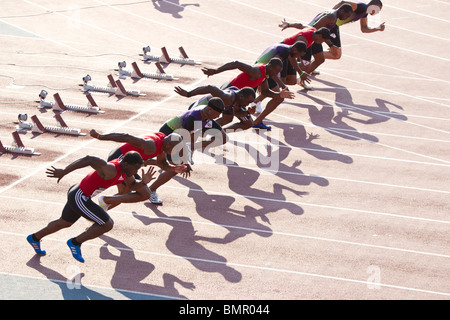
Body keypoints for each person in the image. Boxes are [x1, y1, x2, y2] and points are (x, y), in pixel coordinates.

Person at [26, 151, 154, 263]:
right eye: (135, 169)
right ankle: (75, 242)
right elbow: (89, 159)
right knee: (107, 224)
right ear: (126, 164)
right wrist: (64, 171)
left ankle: (34, 238)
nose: (136, 172)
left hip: (78, 194)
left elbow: (132, 186)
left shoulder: (127, 172)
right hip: (80, 196)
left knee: (64, 222)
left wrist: (143, 182)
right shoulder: (111, 169)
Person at [149, 97, 225, 204]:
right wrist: (186, 160)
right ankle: (151, 190)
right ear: (209, 110)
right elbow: (183, 140)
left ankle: (149, 161)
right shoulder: (193, 118)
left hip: (181, 135)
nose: (219, 117)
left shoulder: (207, 114)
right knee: (177, 168)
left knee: (223, 137)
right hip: (170, 135)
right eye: (218, 114)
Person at [89, 130, 192, 208]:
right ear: (169, 144)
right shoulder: (151, 146)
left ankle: (99, 212)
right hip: (120, 160)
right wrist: (100, 137)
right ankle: (102, 205)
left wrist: (174, 169)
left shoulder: (163, 142)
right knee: (142, 193)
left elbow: (162, 163)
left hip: (129, 163)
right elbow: (126, 137)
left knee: (127, 192)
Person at [201, 57, 295, 130]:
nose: (277, 74)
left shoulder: (265, 74)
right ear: (270, 66)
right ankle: (205, 131)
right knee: (226, 117)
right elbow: (236, 64)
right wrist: (215, 71)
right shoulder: (257, 72)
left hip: (239, 97)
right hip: (230, 93)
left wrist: (279, 95)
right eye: (276, 71)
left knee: (246, 123)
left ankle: (216, 133)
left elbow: (265, 91)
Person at [279, 4, 353, 89]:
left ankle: (300, 80)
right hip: (310, 39)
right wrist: (330, 44)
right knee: (305, 65)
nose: (346, 18)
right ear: (342, 11)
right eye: (347, 16)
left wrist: (289, 24)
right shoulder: (331, 17)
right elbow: (313, 28)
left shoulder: (331, 13)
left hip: (316, 39)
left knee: (320, 59)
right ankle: (282, 68)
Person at [174, 85, 256, 131]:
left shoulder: (237, 100)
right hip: (198, 110)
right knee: (187, 132)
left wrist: (248, 112)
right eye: (248, 102)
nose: (247, 104)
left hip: (210, 112)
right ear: (241, 97)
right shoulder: (227, 97)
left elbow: (236, 113)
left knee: (228, 118)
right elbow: (210, 88)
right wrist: (189, 94)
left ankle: (213, 132)